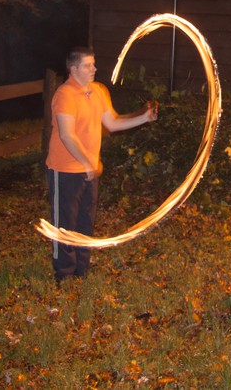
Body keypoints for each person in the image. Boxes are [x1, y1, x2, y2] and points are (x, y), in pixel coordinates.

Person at [46, 47, 157, 283]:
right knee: (65, 224)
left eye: (94, 64)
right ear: (73, 69)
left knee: (85, 222)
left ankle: (81, 271)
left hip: (89, 169)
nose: (94, 69)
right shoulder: (65, 95)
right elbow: (66, 135)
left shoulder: (97, 92)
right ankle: (64, 274)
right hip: (65, 170)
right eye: (88, 65)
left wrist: (144, 118)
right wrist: (88, 162)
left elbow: (113, 123)